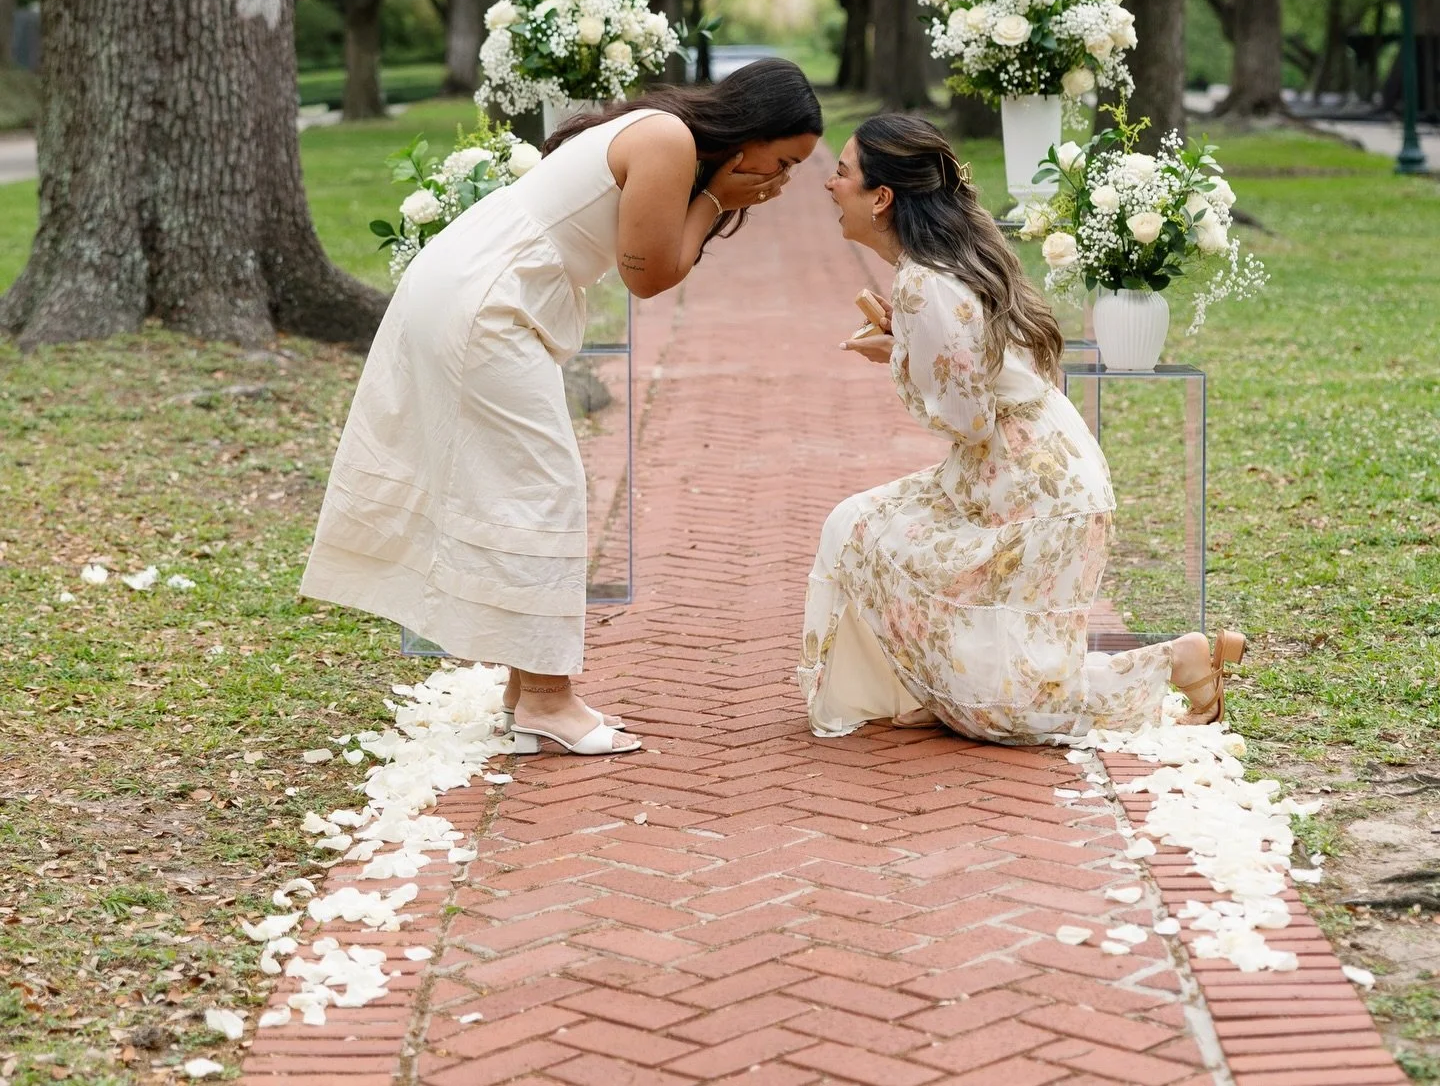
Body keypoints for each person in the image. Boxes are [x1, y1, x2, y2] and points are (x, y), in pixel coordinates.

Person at [303, 59, 821, 756]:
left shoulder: (669, 134)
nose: (784, 180)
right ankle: (548, 699)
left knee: (531, 482)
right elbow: (651, 276)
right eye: (785, 160)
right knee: (546, 486)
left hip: (481, 280)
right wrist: (721, 200)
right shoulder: (669, 141)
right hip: (489, 297)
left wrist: (720, 195)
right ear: (754, 131)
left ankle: (528, 693)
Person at [799, 112, 1245, 744]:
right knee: (858, 524)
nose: (829, 184)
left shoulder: (925, 283)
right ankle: (935, 683)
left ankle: (1176, 663)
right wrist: (906, 343)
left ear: (881, 197)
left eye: (841, 173)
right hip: (1017, 482)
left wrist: (895, 355)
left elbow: (969, 419)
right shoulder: (940, 267)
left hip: (1041, 503)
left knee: (1017, 718)